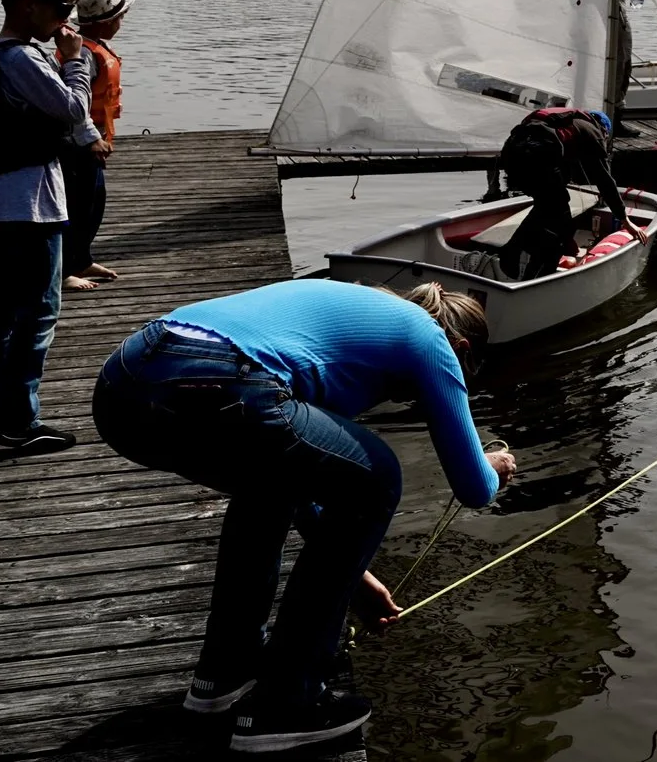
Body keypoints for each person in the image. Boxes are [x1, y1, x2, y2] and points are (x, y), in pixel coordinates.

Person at [91, 279, 515, 753]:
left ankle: (225, 673)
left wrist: (359, 579)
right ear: (460, 347)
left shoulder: (361, 323)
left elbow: (300, 478)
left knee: (270, 482)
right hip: (214, 382)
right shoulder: (427, 336)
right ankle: (288, 703)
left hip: (121, 387)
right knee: (378, 477)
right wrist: (494, 464)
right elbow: (474, 488)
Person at [0, 0, 96, 453]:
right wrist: (77, 62)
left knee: (2, 313)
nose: (66, 21)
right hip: (32, 206)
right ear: (29, 5)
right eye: (61, 9)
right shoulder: (23, 57)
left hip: (1, 203)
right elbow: (73, 110)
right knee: (38, 313)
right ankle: (19, 421)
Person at [497, 106, 624, 280]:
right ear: (604, 130)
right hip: (536, 156)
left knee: (548, 206)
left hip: (512, 155)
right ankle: (534, 276)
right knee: (559, 222)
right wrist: (622, 216)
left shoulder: (562, 124)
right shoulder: (593, 131)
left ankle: (515, 251)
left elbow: (560, 171)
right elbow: (604, 180)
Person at [62, 0, 132, 291]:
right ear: (104, 22)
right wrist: (92, 138)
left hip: (91, 141)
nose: (121, 22)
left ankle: (82, 258)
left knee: (94, 204)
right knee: (76, 206)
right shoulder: (85, 55)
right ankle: (63, 272)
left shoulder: (94, 47)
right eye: (118, 17)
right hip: (77, 145)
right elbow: (73, 104)